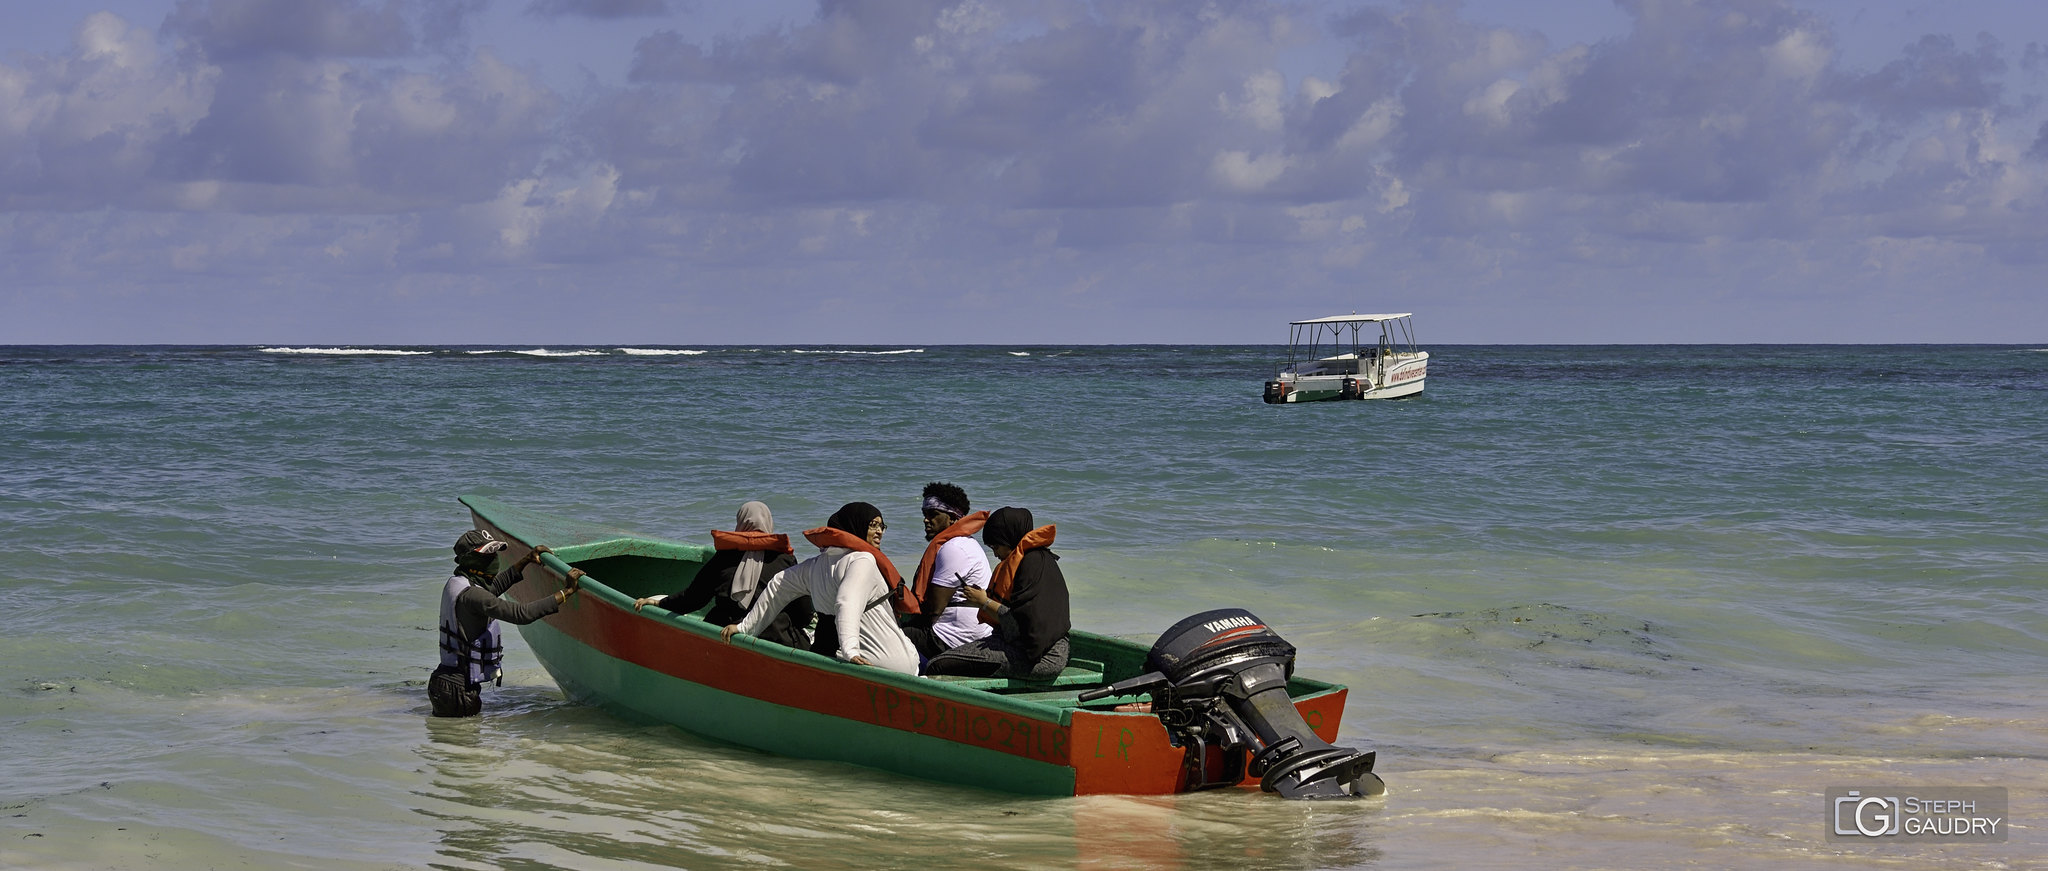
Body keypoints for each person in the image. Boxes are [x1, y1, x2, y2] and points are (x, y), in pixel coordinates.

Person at [721, 502, 919, 675]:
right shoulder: (863, 560)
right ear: (855, 525)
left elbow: (778, 585)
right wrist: (851, 650)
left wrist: (745, 628)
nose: (880, 531)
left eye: (882, 526)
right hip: (886, 665)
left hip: (856, 657)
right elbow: (846, 603)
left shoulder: (816, 565)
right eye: (873, 525)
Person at [431, 529, 582, 718]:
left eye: (494, 553)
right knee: (465, 744)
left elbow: (494, 588)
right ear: (471, 560)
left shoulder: (458, 583)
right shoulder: (473, 595)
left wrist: (526, 560)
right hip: (457, 691)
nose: (494, 558)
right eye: (488, 554)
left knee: (457, 744)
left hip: (448, 684)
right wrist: (567, 592)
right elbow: (521, 614)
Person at [633, 501, 812, 649]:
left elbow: (693, 599)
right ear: (769, 524)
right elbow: (803, 615)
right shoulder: (785, 561)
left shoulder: (723, 559)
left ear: (740, 522)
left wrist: (658, 603)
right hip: (775, 638)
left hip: (724, 633)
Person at [924, 506, 1071, 679]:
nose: (995, 553)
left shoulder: (1031, 565)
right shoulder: (1039, 560)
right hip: (1041, 650)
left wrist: (984, 603)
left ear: (1008, 538)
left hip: (1040, 658)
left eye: (996, 546)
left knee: (937, 665)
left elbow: (1020, 628)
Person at [897, 482, 992, 662]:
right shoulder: (965, 543)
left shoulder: (955, 548)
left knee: (889, 635)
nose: (926, 519)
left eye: (933, 514)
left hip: (954, 637)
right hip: (965, 631)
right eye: (924, 515)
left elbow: (934, 610)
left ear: (952, 518)